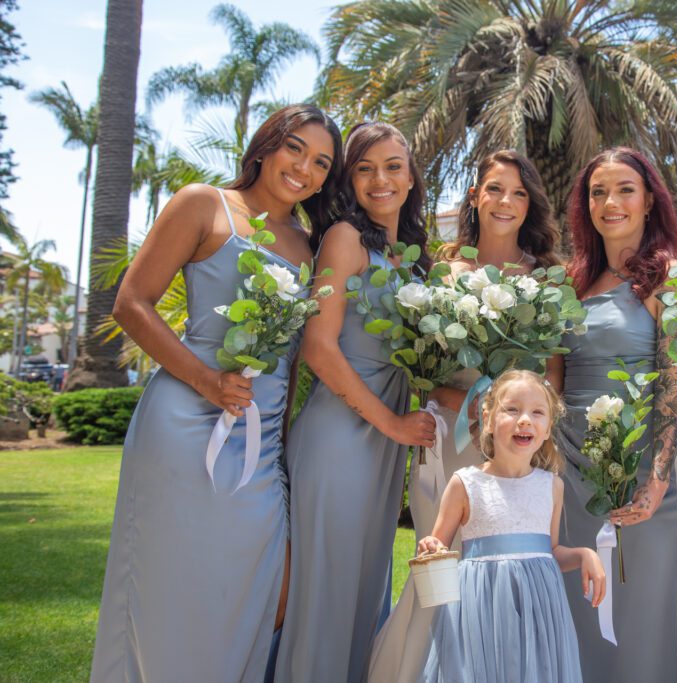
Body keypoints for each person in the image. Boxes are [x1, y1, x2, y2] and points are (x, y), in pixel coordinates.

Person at [90, 104, 343, 682]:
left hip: (259, 448)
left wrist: (278, 455)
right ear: (266, 145)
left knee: (243, 590)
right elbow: (131, 304)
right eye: (295, 149)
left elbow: (294, 363)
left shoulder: (310, 249)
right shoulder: (203, 203)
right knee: (167, 583)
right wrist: (206, 380)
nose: (305, 168)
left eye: (322, 162)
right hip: (183, 423)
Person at [368, 149, 563, 683]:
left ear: (531, 205)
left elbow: (551, 377)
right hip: (448, 442)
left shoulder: (546, 279)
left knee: (503, 578)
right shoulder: (442, 270)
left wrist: (530, 437)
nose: (506, 202)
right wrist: (469, 405)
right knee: (439, 567)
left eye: (519, 193)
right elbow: (424, 371)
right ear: (475, 196)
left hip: (514, 453)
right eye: (495, 189)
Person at [274, 122, 437, 682]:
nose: (380, 179)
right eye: (364, 168)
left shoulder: (413, 258)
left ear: (412, 177)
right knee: (327, 593)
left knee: (365, 588)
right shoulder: (344, 238)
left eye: (393, 165)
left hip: (386, 444)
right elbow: (320, 350)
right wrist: (392, 422)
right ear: (347, 180)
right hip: (341, 436)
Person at [546, 147, 677, 681]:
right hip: (570, 470)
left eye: (625, 189)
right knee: (576, 610)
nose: (611, 202)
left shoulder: (668, 277)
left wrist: (655, 481)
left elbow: (675, 382)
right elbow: (554, 378)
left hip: (639, 471)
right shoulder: (569, 280)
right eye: (598, 191)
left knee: (638, 616)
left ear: (650, 200)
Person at [416, 369, 605, 682]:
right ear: (488, 419)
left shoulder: (551, 486)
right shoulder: (465, 483)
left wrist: (585, 554)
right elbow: (435, 550)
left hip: (538, 617)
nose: (525, 420)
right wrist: (430, 548)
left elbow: (551, 552)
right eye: (512, 410)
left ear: (547, 429)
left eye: (537, 412)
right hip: (481, 613)